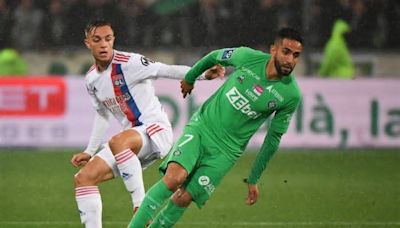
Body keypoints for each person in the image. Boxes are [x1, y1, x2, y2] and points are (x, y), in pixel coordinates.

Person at [129, 27, 303, 227]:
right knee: (173, 179)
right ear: (274, 50)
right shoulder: (247, 57)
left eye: (296, 55)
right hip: (202, 129)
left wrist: (254, 178)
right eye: (286, 52)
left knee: (183, 199)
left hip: (226, 152)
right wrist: (190, 77)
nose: (290, 60)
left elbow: (273, 139)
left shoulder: (291, 94)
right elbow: (215, 56)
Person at [70, 19, 224, 228]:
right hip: (130, 141)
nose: (104, 44)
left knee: (118, 142)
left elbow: (165, 69)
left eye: (108, 39)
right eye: (97, 40)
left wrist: (203, 74)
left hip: (155, 130)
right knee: (83, 178)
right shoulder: (91, 79)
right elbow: (102, 115)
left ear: (113, 39)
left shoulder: (129, 62)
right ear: (88, 43)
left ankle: (141, 208)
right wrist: (89, 151)